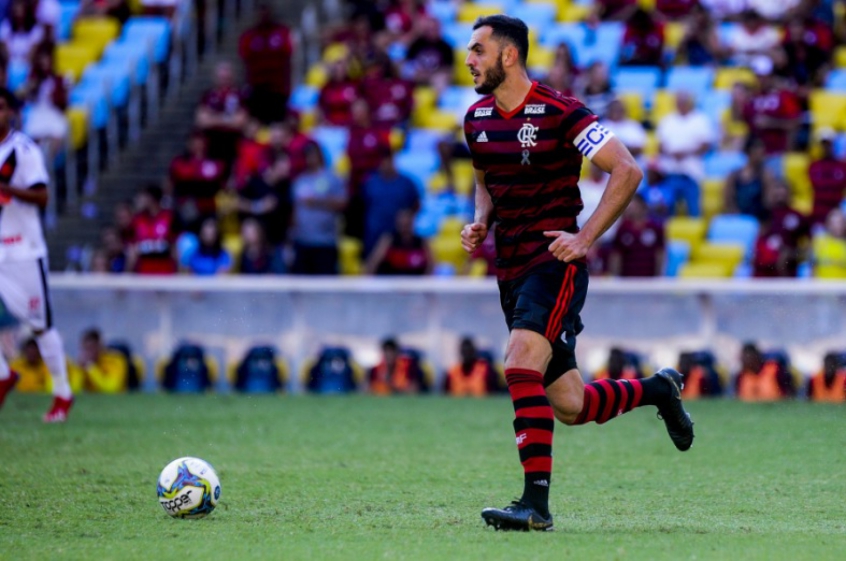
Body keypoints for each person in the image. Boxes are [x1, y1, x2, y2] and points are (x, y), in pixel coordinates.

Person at [461, 15, 694, 532]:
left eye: (478, 50)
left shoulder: (561, 112)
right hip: (510, 268)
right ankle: (658, 389)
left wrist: (584, 238)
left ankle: (535, 506)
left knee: (519, 363)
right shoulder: (475, 118)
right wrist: (481, 221)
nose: (469, 59)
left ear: (509, 56)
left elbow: (627, 169)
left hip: (555, 263)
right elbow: (486, 177)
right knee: (570, 404)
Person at [0, 88, 75, 421]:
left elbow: (41, 196)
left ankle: (62, 393)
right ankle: (4, 376)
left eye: (1, 108)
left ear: (13, 112)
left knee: (41, 325)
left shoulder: (22, 150)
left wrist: (4, 189)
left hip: (24, 251)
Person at [290, 143, 347, 275]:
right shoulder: (300, 181)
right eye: (308, 155)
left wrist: (317, 202)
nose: (311, 158)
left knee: (325, 287)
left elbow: (342, 203)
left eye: (313, 154)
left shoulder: (332, 178)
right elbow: (294, 209)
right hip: (302, 241)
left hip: (325, 242)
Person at [238, 4, 294, 124]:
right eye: (260, 12)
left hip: (277, 89)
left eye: (265, 11)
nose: (263, 15)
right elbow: (244, 59)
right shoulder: (249, 36)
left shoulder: (282, 33)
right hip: (257, 89)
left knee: (277, 125)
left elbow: (290, 56)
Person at [361, 151, 419, 257]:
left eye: (389, 161)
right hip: (374, 233)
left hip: (398, 236)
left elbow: (416, 205)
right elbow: (362, 206)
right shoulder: (370, 182)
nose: (386, 164)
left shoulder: (406, 183)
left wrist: (405, 223)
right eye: (383, 162)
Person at [609, 194, 666, 276]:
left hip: (649, 279)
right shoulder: (623, 228)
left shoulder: (655, 227)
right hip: (627, 279)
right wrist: (615, 277)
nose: (631, 208)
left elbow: (660, 253)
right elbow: (617, 254)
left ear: (642, 206)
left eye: (634, 205)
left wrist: (658, 275)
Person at [723, 138, 778, 222]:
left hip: (760, 219)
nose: (761, 157)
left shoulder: (766, 174)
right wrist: (736, 216)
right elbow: (728, 199)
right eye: (757, 154)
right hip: (739, 218)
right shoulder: (734, 175)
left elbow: (769, 203)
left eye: (762, 154)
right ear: (748, 154)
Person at [126, 184, 177, 274]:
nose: (139, 200)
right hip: (143, 275)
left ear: (151, 198)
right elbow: (132, 250)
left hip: (165, 273)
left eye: (142, 197)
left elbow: (174, 247)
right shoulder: (137, 220)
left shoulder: (169, 217)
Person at [365, 208, 432, 275]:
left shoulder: (422, 241)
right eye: (402, 224)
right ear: (398, 223)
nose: (405, 227)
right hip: (392, 281)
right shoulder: (388, 240)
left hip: (416, 282)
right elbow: (373, 262)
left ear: (412, 222)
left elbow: (431, 265)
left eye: (407, 224)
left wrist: (425, 281)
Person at [808, 127, 846, 228]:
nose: (825, 147)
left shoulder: (842, 166)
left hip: (838, 211)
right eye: (823, 144)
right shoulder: (814, 166)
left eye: (828, 144)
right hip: (819, 212)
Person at [78, 328, 130, 393]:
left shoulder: (114, 360)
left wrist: (90, 368)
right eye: (85, 349)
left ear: (99, 347)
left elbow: (111, 388)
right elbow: (75, 389)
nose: (87, 353)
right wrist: (79, 370)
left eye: (91, 348)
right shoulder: (82, 364)